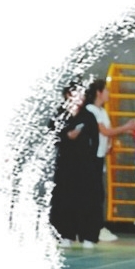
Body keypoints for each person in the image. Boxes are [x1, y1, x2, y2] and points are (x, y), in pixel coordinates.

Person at [85, 79, 135, 244]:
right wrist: (126, 127)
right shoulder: (91, 110)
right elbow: (104, 131)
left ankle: (96, 226)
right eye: (106, 90)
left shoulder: (102, 111)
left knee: (98, 194)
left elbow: (108, 133)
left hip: (100, 156)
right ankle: (94, 227)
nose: (109, 93)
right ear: (99, 92)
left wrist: (114, 140)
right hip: (91, 157)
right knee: (94, 194)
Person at [51, 82, 100, 248]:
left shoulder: (88, 116)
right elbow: (53, 135)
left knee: (86, 199)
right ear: (68, 95)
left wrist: (92, 161)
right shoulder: (60, 115)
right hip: (65, 164)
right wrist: (67, 136)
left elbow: (95, 140)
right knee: (65, 199)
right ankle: (66, 234)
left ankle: (88, 236)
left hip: (85, 165)